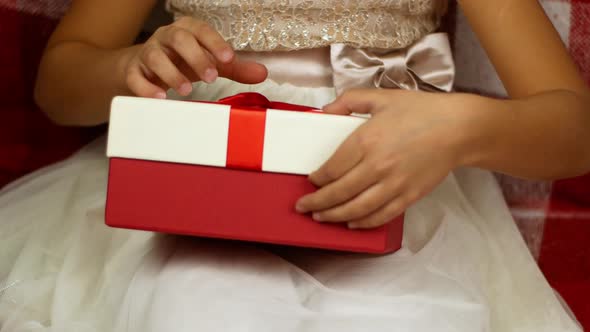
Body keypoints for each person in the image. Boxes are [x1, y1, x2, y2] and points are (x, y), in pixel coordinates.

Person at [1, 0, 588, 331]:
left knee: (403, 318)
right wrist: (133, 63)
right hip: (198, 171)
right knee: (193, 304)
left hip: (385, 177)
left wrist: (461, 128)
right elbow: (58, 87)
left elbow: (574, 130)